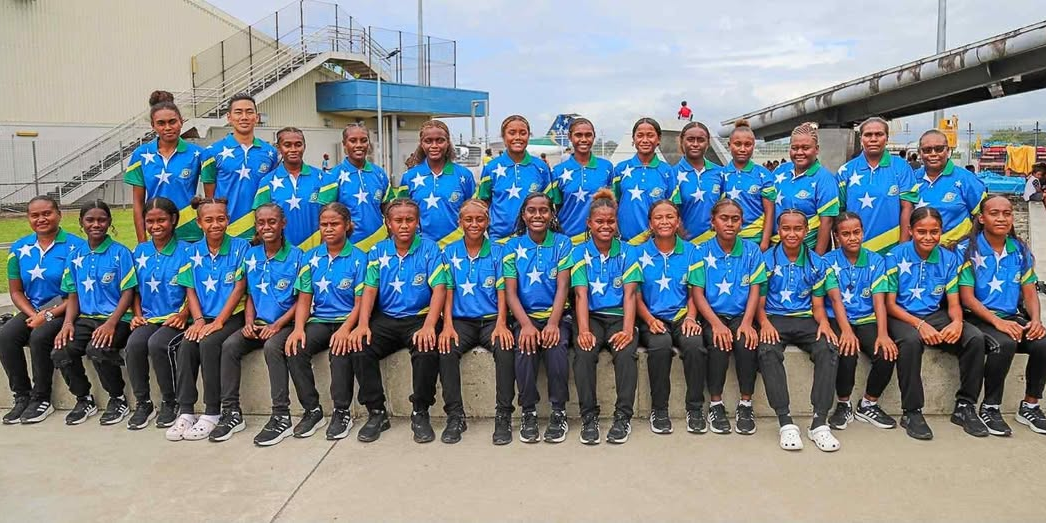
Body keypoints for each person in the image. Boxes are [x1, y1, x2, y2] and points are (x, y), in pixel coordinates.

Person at [206, 204, 310, 445]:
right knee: (230, 346)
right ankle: (231, 412)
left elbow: (302, 299)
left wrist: (278, 325)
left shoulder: (298, 257)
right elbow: (250, 294)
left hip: (285, 323)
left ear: (283, 223)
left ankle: (281, 415)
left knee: (273, 348)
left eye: (272, 222)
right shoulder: (250, 256)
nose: (266, 227)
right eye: (261, 223)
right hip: (258, 323)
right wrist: (249, 321)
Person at [348, 198, 448, 444]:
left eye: (409, 220)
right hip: (387, 318)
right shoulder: (378, 251)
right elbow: (369, 289)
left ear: (418, 222)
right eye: (398, 220)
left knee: (426, 350)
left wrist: (429, 325)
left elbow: (439, 288)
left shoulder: (430, 248)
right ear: (388, 223)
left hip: (420, 317)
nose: (404, 225)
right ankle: (377, 412)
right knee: (360, 346)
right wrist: (363, 324)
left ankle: (420, 411)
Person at [885, 207, 988, 440]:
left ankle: (965, 406)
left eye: (934, 231)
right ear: (910, 231)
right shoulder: (895, 256)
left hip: (934, 314)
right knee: (911, 342)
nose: (928, 237)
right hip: (901, 314)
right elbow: (890, 305)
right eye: (921, 231)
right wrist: (920, 325)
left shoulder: (949, 259)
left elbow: (954, 302)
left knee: (974, 338)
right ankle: (912, 412)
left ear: (941, 231)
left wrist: (957, 322)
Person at [957, 196, 1046, 435]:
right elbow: (967, 298)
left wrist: (1036, 320)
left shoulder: (1019, 249)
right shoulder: (967, 249)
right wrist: (998, 322)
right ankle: (990, 407)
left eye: (1007, 213)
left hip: (1009, 316)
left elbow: (1029, 292)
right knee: (1004, 343)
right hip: (977, 317)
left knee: (1042, 342)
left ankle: (1030, 405)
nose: (1001, 218)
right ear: (981, 218)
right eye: (994, 213)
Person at [756, 209, 841, 452]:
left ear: (806, 231)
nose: (791, 234)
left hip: (805, 319)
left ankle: (819, 422)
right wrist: (764, 324)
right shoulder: (766, 261)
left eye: (797, 229)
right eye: (786, 228)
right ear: (778, 231)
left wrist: (824, 323)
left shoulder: (816, 263)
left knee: (828, 347)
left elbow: (818, 306)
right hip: (774, 317)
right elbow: (759, 304)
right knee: (767, 351)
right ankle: (785, 421)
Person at [166, 197, 250, 442]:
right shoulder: (191, 252)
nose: (215, 224)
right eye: (209, 220)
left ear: (228, 220)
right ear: (199, 223)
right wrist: (199, 320)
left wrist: (218, 322)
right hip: (204, 317)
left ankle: (213, 411)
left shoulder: (241, 247)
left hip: (231, 315)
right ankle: (186, 411)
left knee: (209, 343)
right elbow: (190, 289)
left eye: (221, 219)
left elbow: (239, 288)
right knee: (186, 345)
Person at [0, 196, 86, 424]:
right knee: (6, 336)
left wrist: (47, 315)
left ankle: (41, 398)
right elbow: (16, 291)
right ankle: (22, 396)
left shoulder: (76, 247)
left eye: (47, 213)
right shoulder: (19, 248)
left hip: (67, 309)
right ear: (28, 218)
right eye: (35, 215)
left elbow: (79, 293)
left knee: (40, 337)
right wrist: (34, 315)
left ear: (59, 214)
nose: (41, 219)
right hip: (34, 310)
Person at [52, 200, 137, 426]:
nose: (96, 224)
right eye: (90, 220)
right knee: (61, 350)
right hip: (86, 318)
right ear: (81, 222)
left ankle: (117, 398)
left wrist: (111, 323)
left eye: (102, 220)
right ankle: (84, 399)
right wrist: (67, 323)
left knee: (97, 349)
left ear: (109, 222)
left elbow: (128, 293)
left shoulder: (120, 253)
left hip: (118, 319)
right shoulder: (75, 255)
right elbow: (72, 294)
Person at [438, 199, 513, 444]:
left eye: (479, 219)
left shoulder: (499, 252)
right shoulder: (449, 252)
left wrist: (502, 323)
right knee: (446, 349)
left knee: (505, 348)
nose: (474, 224)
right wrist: (447, 325)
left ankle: (503, 415)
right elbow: (448, 291)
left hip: (491, 320)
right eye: (468, 219)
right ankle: (455, 416)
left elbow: (502, 290)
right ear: (460, 222)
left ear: (487, 222)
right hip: (462, 322)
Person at [501, 192, 573, 444]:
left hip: (557, 316)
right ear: (523, 215)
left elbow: (563, 287)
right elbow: (510, 292)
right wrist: (526, 325)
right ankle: (528, 411)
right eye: (531, 210)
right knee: (524, 348)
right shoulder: (512, 246)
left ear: (552, 214)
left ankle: (558, 411)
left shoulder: (563, 243)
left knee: (557, 348)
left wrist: (553, 323)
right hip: (526, 317)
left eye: (544, 210)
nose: (538, 215)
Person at [571, 189, 641, 444]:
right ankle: (589, 417)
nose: (605, 226)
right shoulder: (578, 252)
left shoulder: (628, 251)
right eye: (599, 221)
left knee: (626, 353)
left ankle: (623, 417)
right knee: (584, 353)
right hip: (591, 317)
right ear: (589, 223)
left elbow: (630, 295)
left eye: (610, 221)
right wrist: (583, 331)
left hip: (620, 316)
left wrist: (628, 330)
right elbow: (580, 295)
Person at [689, 198, 764, 435]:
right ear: (713, 222)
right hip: (713, 315)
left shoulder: (752, 251)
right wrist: (716, 324)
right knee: (718, 343)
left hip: (742, 315)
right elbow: (697, 293)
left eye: (735, 219)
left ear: (742, 223)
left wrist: (747, 323)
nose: (729, 224)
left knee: (746, 342)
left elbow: (755, 290)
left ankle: (745, 404)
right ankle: (716, 404)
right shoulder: (700, 251)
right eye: (724, 218)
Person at [823, 212, 900, 431]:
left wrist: (883, 334)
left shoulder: (876, 261)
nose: (852, 238)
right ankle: (843, 403)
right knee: (847, 350)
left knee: (886, 352)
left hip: (867, 318)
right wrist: (847, 331)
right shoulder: (828, 261)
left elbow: (879, 301)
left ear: (863, 233)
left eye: (856, 232)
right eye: (846, 234)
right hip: (838, 318)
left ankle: (868, 404)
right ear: (837, 237)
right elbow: (835, 300)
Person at [297, 202, 368, 440]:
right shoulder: (310, 257)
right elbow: (305, 298)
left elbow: (361, 302)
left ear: (347, 225)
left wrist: (346, 329)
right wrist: (298, 329)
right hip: (320, 320)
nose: (328, 229)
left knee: (339, 350)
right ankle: (312, 410)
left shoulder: (359, 258)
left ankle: (341, 412)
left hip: (348, 320)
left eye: (334, 224)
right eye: (324, 224)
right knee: (295, 348)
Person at [635, 200, 705, 434]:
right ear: (650, 223)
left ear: (678, 222)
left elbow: (695, 292)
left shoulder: (692, 251)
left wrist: (691, 318)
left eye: (669, 217)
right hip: (651, 318)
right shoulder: (638, 253)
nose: (664, 221)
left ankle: (695, 408)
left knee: (695, 345)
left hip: (682, 316)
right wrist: (649, 320)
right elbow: (634, 295)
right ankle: (659, 409)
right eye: (658, 217)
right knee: (660, 346)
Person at [125, 197, 190, 430]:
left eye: (161, 220)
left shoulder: (187, 251)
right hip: (150, 317)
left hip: (177, 318)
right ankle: (143, 403)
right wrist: (137, 314)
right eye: (150, 221)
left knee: (158, 344)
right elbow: (134, 289)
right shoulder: (139, 251)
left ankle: (170, 401)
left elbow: (194, 291)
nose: (155, 226)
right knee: (134, 345)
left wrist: (183, 314)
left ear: (173, 220)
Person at [124, 91, 207, 242]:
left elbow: (211, 192)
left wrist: (200, 198)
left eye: (172, 122)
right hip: (158, 232)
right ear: (153, 126)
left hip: (191, 233)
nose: (167, 127)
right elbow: (138, 203)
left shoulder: (198, 154)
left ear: (181, 121)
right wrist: (142, 242)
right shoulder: (141, 155)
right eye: (161, 123)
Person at [200, 93, 279, 240]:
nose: (244, 117)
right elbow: (210, 198)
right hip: (227, 232)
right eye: (238, 112)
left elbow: (271, 192)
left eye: (249, 112)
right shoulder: (212, 152)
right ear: (229, 117)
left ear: (256, 117)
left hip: (261, 231)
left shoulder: (270, 152)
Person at [835, 117, 918, 254]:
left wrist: (902, 250)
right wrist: (842, 252)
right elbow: (838, 214)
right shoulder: (845, 171)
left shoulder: (901, 167)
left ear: (887, 138)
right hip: (854, 252)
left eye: (879, 134)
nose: (873, 139)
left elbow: (907, 208)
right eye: (868, 135)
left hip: (891, 251)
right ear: (861, 138)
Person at [396, 120, 477, 248]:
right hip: (421, 248)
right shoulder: (409, 177)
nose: (434, 145)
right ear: (421, 144)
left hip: (457, 248)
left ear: (448, 142)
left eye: (440, 140)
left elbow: (473, 212)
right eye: (428, 141)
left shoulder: (464, 175)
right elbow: (401, 213)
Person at [318, 123, 393, 253]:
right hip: (348, 248)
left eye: (363, 140)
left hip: (379, 246)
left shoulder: (379, 173)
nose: (359, 145)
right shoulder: (332, 176)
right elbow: (326, 218)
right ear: (344, 144)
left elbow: (388, 210)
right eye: (353, 141)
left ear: (368, 143)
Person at [477, 115, 553, 241]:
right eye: (512, 133)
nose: (518, 137)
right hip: (499, 239)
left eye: (523, 133)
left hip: (533, 238)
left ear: (528, 136)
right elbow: (483, 202)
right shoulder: (491, 168)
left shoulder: (541, 167)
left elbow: (549, 204)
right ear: (503, 136)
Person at [770, 122, 840, 254]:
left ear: (817, 149)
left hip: (807, 252)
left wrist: (817, 259)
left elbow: (827, 222)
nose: (799, 152)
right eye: (794, 148)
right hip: (775, 251)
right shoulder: (779, 171)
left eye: (805, 148)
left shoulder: (825, 179)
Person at [253, 127, 326, 251]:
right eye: (287, 145)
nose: (293, 149)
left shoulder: (323, 178)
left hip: (315, 253)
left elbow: (331, 218)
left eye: (298, 145)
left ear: (304, 146)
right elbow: (261, 221)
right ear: (278, 148)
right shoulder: (267, 182)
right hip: (282, 255)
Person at [913, 129, 986, 248]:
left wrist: (971, 243)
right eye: (927, 150)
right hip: (919, 252)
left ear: (948, 150)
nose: (933, 154)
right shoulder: (911, 179)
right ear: (919, 153)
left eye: (939, 149)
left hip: (957, 252)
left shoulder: (966, 179)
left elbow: (983, 216)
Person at [550, 118, 615, 245]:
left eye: (588, 135)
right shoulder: (558, 171)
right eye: (578, 135)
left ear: (594, 136)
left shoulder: (606, 167)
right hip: (568, 240)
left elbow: (611, 204)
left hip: (599, 240)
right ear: (570, 137)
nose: (584, 139)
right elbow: (557, 207)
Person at [615, 118, 675, 245]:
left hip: (656, 244)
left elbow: (673, 209)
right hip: (625, 244)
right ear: (633, 139)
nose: (645, 140)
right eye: (640, 135)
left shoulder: (667, 171)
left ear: (658, 139)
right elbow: (614, 203)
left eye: (650, 135)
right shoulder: (620, 169)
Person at [719, 119, 775, 250]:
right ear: (729, 145)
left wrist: (764, 243)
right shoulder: (720, 174)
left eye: (748, 144)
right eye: (737, 144)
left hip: (756, 241)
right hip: (728, 241)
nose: (742, 149)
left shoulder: (763, 174)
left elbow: (770, 212)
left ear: (753, 146)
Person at [672, 121, 723, 244]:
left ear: (708, 143)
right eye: (690, 139)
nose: (695, 144)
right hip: (685, 246)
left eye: (700, 140)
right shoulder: (672, 174)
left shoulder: (721, 173)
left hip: (716, 245)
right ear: (681, 141)